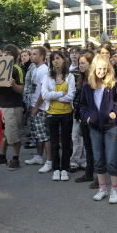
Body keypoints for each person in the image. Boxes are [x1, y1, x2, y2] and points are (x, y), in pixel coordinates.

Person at [80, 55, 117, 203]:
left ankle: (114, 190)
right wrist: (88, 117)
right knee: (98, 159)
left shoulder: (112, 85)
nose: (101, 72)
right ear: (94, 69)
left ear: (108, 70)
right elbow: (82, 106)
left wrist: (115, 112)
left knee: (112, 160)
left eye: (104, 69)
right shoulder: (87, 86)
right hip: (94, 127)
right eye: (99, 69)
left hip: (111, 127)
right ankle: (102, 189)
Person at [41, 51, 75, 181]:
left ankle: (64, 168)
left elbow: (71, 95)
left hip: (66, 113)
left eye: (58, 58)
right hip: (51, 113)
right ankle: (56, 169)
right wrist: (61, 93)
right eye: (53, 59)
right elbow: (44, 95)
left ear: (63, 60)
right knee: (54, 143)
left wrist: (53, 94)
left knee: (66, 143)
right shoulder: (47, 76)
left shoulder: (70, 76)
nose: (55, 61)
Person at [0, 44, 24, 170]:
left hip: (12, 106)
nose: (5, 55)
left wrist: (13, 84)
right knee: (3, 133)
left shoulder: (16, 69)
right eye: (4, 53)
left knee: (13, 133)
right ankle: (2, 156)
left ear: (14, 56)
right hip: (0, 105)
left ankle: (15, 158)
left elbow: (21, 89)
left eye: (9, 53)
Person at [24, 46, 53, 173]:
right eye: (31, 54)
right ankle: (39, 157)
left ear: (42, 56)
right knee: (37, 135)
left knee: (45, 135)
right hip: (34, 105)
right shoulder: (35, 68)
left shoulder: (44, 70)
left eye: (34, 54)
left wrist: (36, 107)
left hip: (41, 108)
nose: (31, 56)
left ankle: (49, 161)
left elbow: (43, 91)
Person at [74, 51, 97, 186]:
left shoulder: (94, 79)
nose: (80, 65)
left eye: (83, 63)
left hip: (92, 119)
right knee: (89, 148)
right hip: (83, 117)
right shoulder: (82, 78)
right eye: (79, 63)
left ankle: (98, 178)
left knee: (96, 149)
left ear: (90, 64)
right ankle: (89, 174)